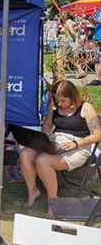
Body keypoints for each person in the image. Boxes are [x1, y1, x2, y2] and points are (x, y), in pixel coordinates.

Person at [18, 79, 101, 217]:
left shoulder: (86, 108)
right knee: (25, 154)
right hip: (55, 141)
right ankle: (33, 190)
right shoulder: (55, 106)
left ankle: (53, 201)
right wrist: (45, 135)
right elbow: (47, 124)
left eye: (63, 100)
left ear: (72, 96)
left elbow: (97, 135)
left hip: (79, 145)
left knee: (43, 160)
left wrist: (75, 143)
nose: (60, 104)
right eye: (57, 100)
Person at [88, 7, 101, 85]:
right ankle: (97, 79)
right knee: (96, 59)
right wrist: (92, 20)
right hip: (97, 37)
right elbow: (95, 23)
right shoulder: (99, 10)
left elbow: (98, 21)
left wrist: (98, 21)